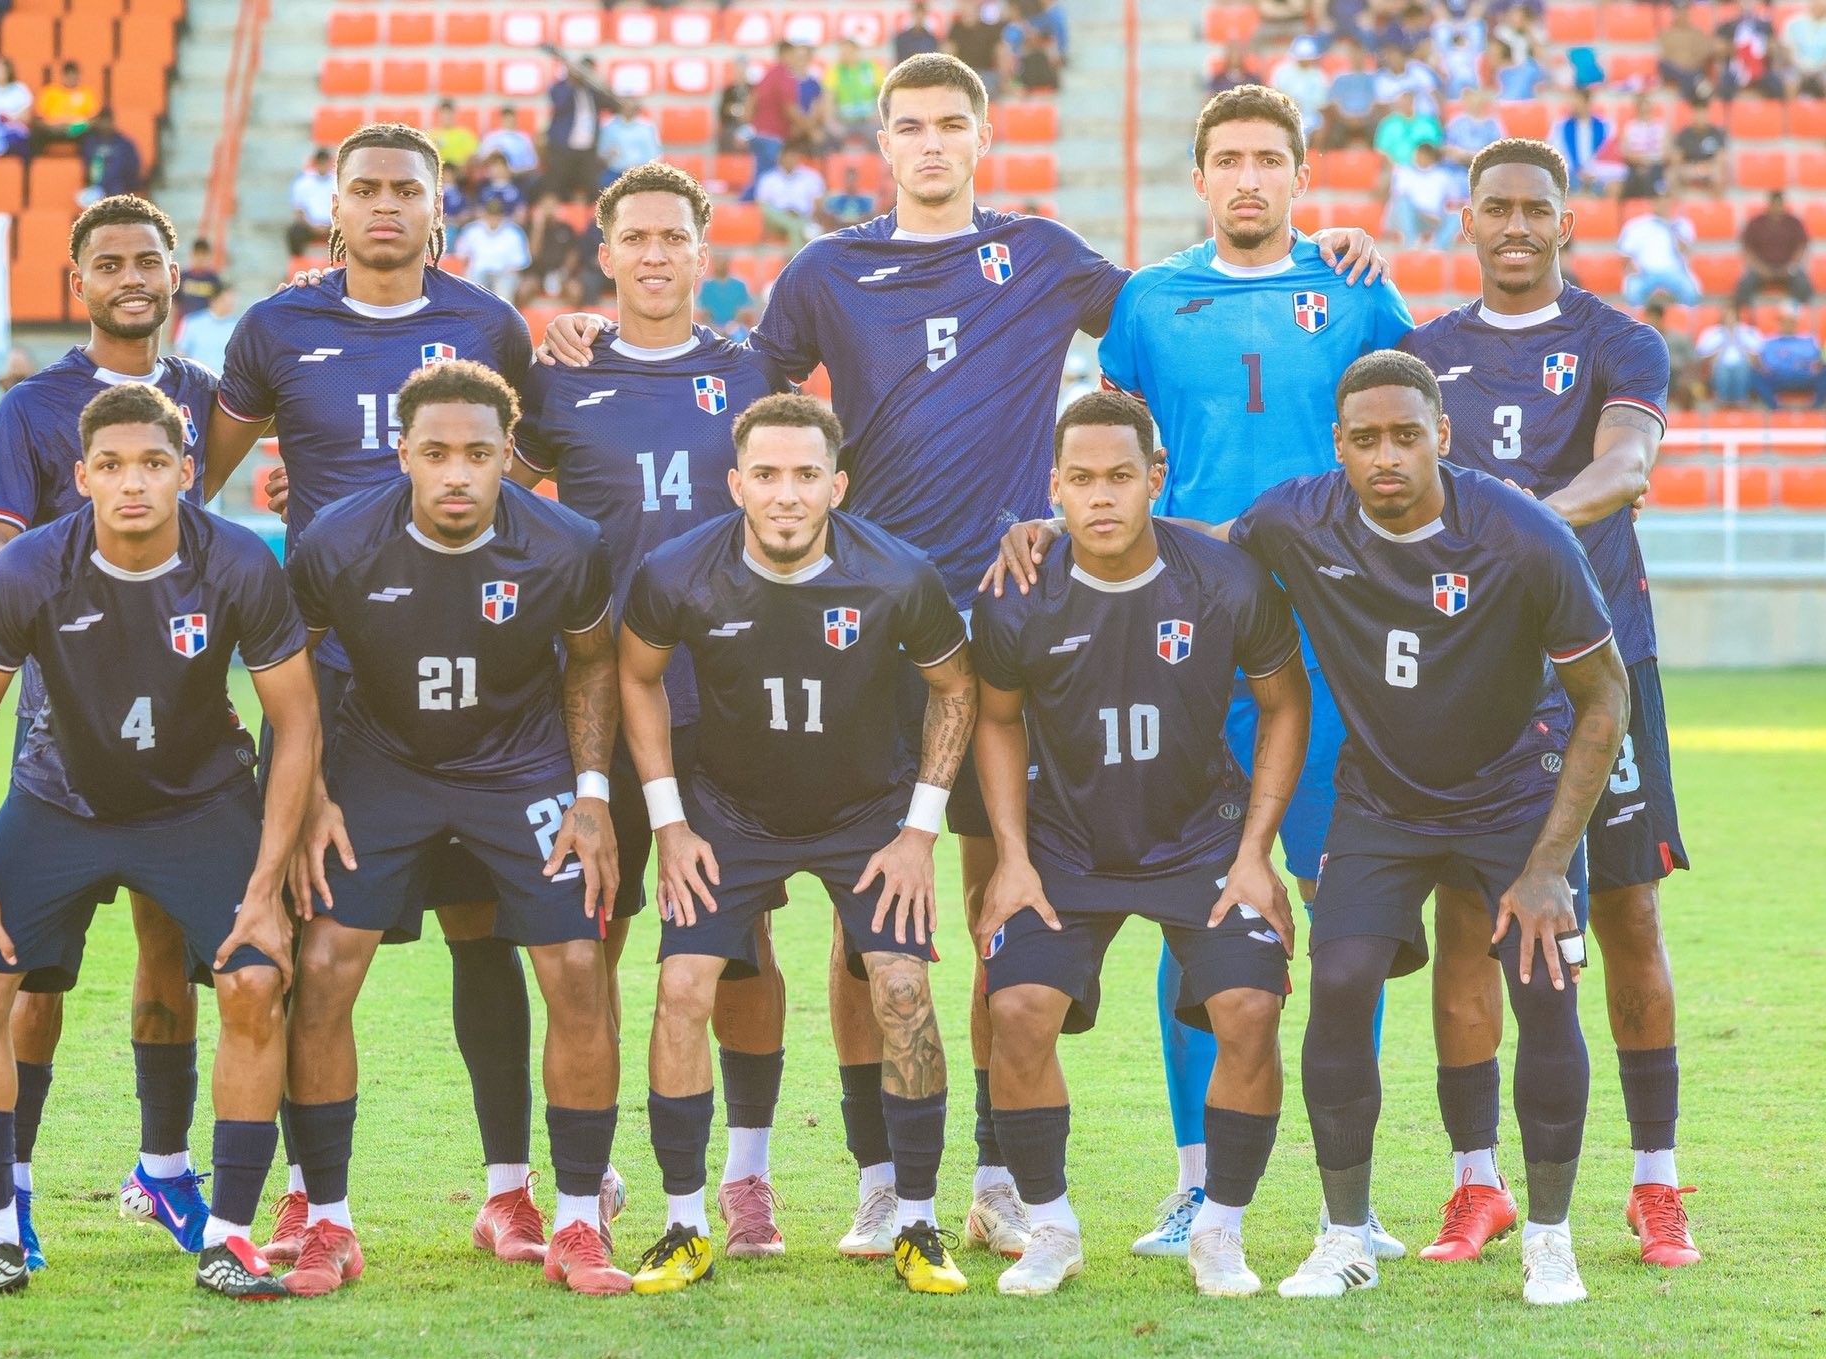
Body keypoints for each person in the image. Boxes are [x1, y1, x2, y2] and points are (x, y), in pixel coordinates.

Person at [543, 58, 1384, 1260]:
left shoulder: (1041, 252)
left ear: (983, 134)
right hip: (858, 619)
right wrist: (596, 330)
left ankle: (994, 1170)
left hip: (1004, 617)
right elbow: (727, 383)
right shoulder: (825, 270)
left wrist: (1322, 242)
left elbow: (1168, 302)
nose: (931, 143)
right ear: (879, 142)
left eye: (951, 123)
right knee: (857, 911)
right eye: (909, 127)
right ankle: (881, 1176)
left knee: (1002, 891)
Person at [986, 81, 1412, 1262]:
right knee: (1203, 902)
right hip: (1182, 645)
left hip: (1332, 649)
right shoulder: (1146, 302)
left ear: (1299, 175)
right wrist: (1043, 522)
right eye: (1225, 157)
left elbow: (1406, 436)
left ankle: (1347, 1194)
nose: (1245, 177)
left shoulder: (1353, 289)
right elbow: (1110, 451)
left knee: (1345, 914)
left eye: (1266, 158)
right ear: (1198, 176)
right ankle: (1191, 1184)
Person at [202, 123, 548, 1274]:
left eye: (407, 189)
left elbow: (535, 459)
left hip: (479, 681)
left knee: (483, 932)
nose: (385, 206)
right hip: (330, 686)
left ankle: (509, 1193)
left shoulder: (489, 323)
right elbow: (193, 473)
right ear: (333, 206)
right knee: (313, 944)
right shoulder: (276, 327)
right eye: (365, 190)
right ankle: (311, 1198)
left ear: (438, 207)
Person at [1234, 350, 1628, 1307]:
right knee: (1339, 979)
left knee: (1543, 988)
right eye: (1364, 439)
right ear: (1338, 447)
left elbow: (1607, 696)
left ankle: (1549, 1237)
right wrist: (1062, 537)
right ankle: (1345, 1235)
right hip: (1384, 797)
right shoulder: (1295, 515)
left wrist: (1547, 867)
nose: (1386, 456)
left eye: (1406, 435)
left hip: (1512, 793)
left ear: (1442, 437)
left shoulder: (1526, 536)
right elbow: (1198, 555)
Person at [0, 378, 319, 1304]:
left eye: (152, 464)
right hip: (60, 798)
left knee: (257, 977)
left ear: (189, 471)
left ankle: (229, 1236)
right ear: (82, 478)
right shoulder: (29, 567)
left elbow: (296, 722)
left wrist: (265, 886)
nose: (132, 483)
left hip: (198, 801)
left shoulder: (238, 564)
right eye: (111, 465)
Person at [1399, 137, 1699, 1271]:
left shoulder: (1620, 341)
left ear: (1565, 221)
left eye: (1535, 207)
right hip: (1468, 679)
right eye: (1494, 209)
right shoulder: (1421, 354)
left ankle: (1654, 1184)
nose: (1515, 225)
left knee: (1624, 915)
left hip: (1600, 668)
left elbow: (1623, 470)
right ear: (1465, 223)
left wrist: (1505, 534)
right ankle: (1473, 1186)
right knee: (1466, 928)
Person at [617, 393, 977, 1297]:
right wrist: (670, 819)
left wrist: (918, 832)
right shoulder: (677, 571)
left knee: (900, 982)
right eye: (767, 475)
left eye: (807, 475)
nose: (786, 494)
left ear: (837, 484)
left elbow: (956, 689)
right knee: (681, 986)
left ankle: (918, 1222)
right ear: (735, 482)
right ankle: (685, 1224)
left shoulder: (898, 574)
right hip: (731, 813)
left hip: (865, 810)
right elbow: (636, 675)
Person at [283, 359, 627, 1296]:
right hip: (380, 762)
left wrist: (590, 793)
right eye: (435, 453)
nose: (457, 474)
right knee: (321, 967)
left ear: (510, 457)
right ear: (403, 455)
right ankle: (327, 1221)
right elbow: (291, 671)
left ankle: (576, 1221)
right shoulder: (336, 540)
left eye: (479, 453)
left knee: (577, 968)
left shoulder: (566, 542)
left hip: (519, 765)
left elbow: (593, 663)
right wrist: (310, 792)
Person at [515, 165, 796, 1262]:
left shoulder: (750, 370)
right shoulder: (559, 383)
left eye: (671, 237)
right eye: (632, 238)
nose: (652, 255)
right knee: (592, 936)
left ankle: (748, 1176)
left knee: (740, 944)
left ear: (700, 248)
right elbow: (491, 483)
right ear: (604, 254)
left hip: (725, 705)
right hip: (590, 702)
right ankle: (594, 1161)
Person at [970, 392, 1309, 1298]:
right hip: (1067, 843)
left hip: (1199, 839)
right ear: (1055, 487)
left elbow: (1285, 704)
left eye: (1122, 476)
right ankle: (1051, 1225)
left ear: (1156, 478)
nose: (1102, 496)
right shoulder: (1017, 592)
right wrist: (1011, 854)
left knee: (1248, 1009)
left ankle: (1221, 1232)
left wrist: (1255, 852)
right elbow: (995, 722)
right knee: (1018, 1011)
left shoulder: (1227, 579)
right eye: (1080, 480)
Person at [0, 198, 225, 1271]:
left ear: (174, 276)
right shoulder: (34, 406)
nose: (130, 275)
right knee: (34, 980)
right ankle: (13, 1192)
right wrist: (64, 573)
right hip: (61, 741)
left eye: (147, 260)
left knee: (169, 952)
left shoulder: (207, 399)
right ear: (78, 280)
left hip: (185, 734)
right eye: (108, 262)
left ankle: (163, 1170)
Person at [543, 56, 617, 201]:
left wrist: (600, 83)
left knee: (594, 188)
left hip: (587, 151)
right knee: (556, 187)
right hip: (563, 150)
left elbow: (613, 105)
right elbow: (559, 102)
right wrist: (572, 81)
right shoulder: (562, 87)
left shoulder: (593, 91)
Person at [746, 42, 809, 196]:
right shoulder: (785, 77)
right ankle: (742, 209)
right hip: (774, 138)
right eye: (794, 55)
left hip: (759, 135)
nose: (796, 59)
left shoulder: (768, 75)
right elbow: (790, 109)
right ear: (785, 55)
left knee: (760, 179)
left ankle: (743, 210)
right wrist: (810, 128)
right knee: (765, 183)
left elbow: (751, 103)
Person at [1619, 191, 1703, 305]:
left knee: (1691, 292)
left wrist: (1670, 226)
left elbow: (1685, 251)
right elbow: (1625, 256)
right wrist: (1635, 269)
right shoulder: (1636, 225)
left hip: (1674, 272)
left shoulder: (1681, 224)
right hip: (1645, 273)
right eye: (1658, 200)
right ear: (1652, 202)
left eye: (1665, 199)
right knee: (1633, 291)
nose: (1662, 203)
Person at [1736, 191, 1814, 306]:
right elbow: (1748, 249)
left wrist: (1790, 267)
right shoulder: (1756, 223)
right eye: (1774, 204)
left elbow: (1801, 247)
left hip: (1788, 269)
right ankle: (1745, 318)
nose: (1777, 207)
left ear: (1783, 204)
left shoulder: (1794, 223)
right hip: (1761, 269)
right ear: (1769, 204)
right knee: (1744, 286)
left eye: (1779, 204)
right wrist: (1760, 268)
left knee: (1804, 286)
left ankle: (1797, 315)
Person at [1388, 138, 1462, 249]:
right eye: (1419, 154)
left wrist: (1441, 213)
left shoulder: (1442, 176)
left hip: (1434, 219)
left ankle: (1437, 248)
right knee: (1403, 203)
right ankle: (1411, 243)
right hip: (1412, 217)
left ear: (1432, 157)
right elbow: (1399, 195)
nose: (1421, 158)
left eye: (1425, 155)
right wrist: (1423, 213)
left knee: (1457, 216)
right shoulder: (1404, 171)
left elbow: (1455, 199)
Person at [455, 195, 531, 303]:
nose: (493, 218)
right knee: (471, 287)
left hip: (503, 273)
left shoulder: (514, 232)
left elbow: (519, 263)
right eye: (491, 215)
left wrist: (501, 274)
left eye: (496, 215)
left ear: (502, 215)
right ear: (485, 214)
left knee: (503, 291)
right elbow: (461, 255)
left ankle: (503, 318)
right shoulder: (472, 230)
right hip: (478, 272)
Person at [755, 141, 826, 254]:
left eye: (793, 155)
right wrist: (784, 214)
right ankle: (797, 266)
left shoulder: (811, 177)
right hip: (776, 221)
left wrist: (803, 216)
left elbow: (818, 204)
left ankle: (794, 264)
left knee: (795, 227)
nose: (790, 159)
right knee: (768, 210)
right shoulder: (768, 179)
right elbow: (762, 207)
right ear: (780, 157)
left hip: (803, 218)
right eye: (787, 156)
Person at [1751, 303, 1826, 408]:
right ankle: (1776, 408)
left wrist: (1812, 364)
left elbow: (1817, 360)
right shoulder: (1769, 341)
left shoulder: (1808, 339)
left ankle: (1816, 407)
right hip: (1779, 378)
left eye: (1790, 321)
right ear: (1780, 322)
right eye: (1784, 321)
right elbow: (1769, 363)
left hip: (1806, 376)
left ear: (1795, 322)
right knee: (1755, 374)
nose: (1787, 324)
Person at [1696, 300, 1765, 406]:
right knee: (1723, 367)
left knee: (1741, 366)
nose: (1729, 318)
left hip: (1744, 365)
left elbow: (1758, 356)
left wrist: (1741, 345)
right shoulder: (1711, 333)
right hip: (1718, 366)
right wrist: (1720, 349)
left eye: (1732, 315)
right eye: (1726, 315)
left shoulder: (1749, 332)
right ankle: (1722, 400)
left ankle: (1741, 399)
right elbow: (1702, 357)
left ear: (1737, 316)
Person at [1322, 40, 1385, 149]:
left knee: (1379, 130)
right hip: (1343, 118)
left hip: (1367, 118)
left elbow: (1376, 100)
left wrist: (1364, 116)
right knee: (1331, 132)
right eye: (1354, 54)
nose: (1357, 57)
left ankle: (1376, 158)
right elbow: (1333, 101)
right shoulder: (1340, 78)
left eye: (1360, 54)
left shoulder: (1372, 78)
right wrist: (1346, 116)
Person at [1644, 300, 1705, 411]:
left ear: (1661, 318)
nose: (1652, 321)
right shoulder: (1642, 341)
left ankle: (1687, 421)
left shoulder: (1679, 338)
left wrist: (1688, 377)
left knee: (1687, 387)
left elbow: (1694, 360)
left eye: (1655, 317)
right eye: (1650, 317)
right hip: (1654, 378)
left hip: (1678, 376)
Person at [1272, 35, 1332, 143]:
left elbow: (1322, 103)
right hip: (1286, 113)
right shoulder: (1282, 71)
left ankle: (1316, 157)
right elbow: (1274, 93)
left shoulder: (1318, 75)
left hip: (1311, 116)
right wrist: (1291, 103)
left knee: (1320, 129)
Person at [1718, 0, 1783, 98]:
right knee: (1724, 83)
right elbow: (1718, 47)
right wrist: (1731, 48)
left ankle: (1778, 112)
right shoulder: (1727, 26)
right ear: (1737, 3)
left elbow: (1774, 46)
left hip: (1760, 69)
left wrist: (1767, 48)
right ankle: (1724, 113)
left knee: (1776, 84)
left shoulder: (1765, 25)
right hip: (1736, 69)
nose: (1747, 3)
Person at [1551, 89, 1611, 196]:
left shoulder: (1605, 126)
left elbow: (1608, 154)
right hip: (1572, 174)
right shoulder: (1561, 126)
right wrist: (1577, 171)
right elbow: (1555, 154)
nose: (1574, 105)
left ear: (1587, 102)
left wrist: (1594, 171)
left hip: (1597, 174)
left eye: (1578, 101)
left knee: (1613, 186)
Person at [947, 0, 1009, 98]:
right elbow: (948, 52)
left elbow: (1002, 52)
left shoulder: (989, 30)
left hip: (985, 74)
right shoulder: (956, 29)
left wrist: (1004, 79)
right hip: (963, 73)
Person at [173, 283, 239, 375]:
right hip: (197, 381)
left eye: (232, 299)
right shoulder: (192, 322)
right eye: (225, 300)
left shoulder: (238, 326)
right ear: (214, 299)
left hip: (226, 383)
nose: (230, 303)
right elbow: (181, 353)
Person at [1616, 93, 1669, 204]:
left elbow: (1666, 153)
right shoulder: (1630, 127)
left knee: (1653, 176)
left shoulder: (1660, 126)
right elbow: (1626, 153)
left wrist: (1648, 162)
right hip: (1635, 166)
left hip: (1657, 166)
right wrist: (1642, 162)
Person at [79, 110, 143, 202]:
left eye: (108, 122)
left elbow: (132, 166)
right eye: (102, 122)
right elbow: (87, 165)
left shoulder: (124, 144)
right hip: (95, 187)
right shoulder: (90, 142)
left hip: (120, 185)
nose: (105, 125)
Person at [33, 61, 98, 151]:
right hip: (52, 129)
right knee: (35, 133)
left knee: (92, 135)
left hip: (77, 130)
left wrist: (76, 127)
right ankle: (32, 164)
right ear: (62, 76)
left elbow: (93, 119)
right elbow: (39, 118)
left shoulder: (86, 93)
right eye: (68, 75)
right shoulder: (49, 92)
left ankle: (87, 163)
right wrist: (53, 127)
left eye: (74, 75)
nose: (71, 78)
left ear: (79, 76)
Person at [1657, 2, 1716, 100]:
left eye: (1683, 11)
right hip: (1675, 71)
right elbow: (1665, 58)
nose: (1681, 14)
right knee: (1663, 64)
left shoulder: (1697, 33)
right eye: (1678, 11)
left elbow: (1702, 55)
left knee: (1694, 72)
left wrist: (1688, 65)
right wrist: (1682, 66)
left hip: (1692, 69)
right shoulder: (1665, 34)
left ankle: (1688, 84)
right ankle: (1693, 82)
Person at [830, 38, 883, 142]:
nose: (844, 55)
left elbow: (883, 93)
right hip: (844, 120)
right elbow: (828, 98)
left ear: (856, 51)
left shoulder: (871, 68)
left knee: (880, 136)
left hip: (869, 119)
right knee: (831, 136)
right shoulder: (835, 70)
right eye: (842, 52)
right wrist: (831, 121)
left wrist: (878, 114)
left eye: (847, 51)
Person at [1668, 101, 1726, 196]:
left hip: (1709, 168)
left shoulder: (1716, 133)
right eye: (1698, 113)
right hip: (1688, 167)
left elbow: (1721, 157)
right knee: (1671, 175)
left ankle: (1715, 206)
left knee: (1718, 174)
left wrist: (1705, 167)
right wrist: (1689, 168)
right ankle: (1676, 205)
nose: (1700, 117)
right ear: (1693, 115)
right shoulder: (1684, 134)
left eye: (1703, 113)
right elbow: (1676, 157)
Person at [597, 101, 661, 185]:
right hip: (614, 172)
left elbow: (654, 155)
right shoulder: (608, 126)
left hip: (640, 174)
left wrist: (638, 168)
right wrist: (609, 155)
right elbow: (601, 154)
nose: (628, 106)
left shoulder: (647, 127)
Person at [286, 147, 333, 256]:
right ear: (316, 163)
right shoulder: (303, 182)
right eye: (320, 162)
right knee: (294, 233)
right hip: (309, 225)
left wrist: (330, 225)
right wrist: (312, 226)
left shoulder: (337, 181)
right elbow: (299, 209)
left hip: (332, 225)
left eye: (325, 162)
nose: (323, 165)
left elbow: (342, 207)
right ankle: (297, 262)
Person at [1442, 86, 1503, 168]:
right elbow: (1446, 149)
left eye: (1472, 96)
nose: (1470, 101)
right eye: (1466, 97)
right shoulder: (1457, 123)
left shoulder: (1492, 126)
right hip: (1456, 170)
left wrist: (1468, 156)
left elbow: (1498, 153)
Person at [479, 105, 540, 180]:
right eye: (507, 118)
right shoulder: (491, 138)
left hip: (520, 177)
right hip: (494, 179)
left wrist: (514, 172)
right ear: (502, 119)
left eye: (511, 118)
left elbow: (533, 164)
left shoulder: (524, 138)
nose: (509, 121)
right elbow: (481, 160)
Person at [696, 251, 751, 328]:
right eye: (718, 263)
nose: (720, 266)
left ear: (728, 264)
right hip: (712, 326)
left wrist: (732, 325)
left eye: (723, 263)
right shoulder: (706, 285)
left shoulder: (740, 285)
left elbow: (744, 308)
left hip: (735, 326)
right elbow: (703, 310)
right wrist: (713, 326)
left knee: (739, 336)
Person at [175, 238, 221, 322]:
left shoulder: (213, 279)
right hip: (185, 323)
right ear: (192, 255)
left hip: (206, 324)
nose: (200, 258)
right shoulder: (182, 277)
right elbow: (175, 305)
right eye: (197, 254)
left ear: (209, 256)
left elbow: (218, 305)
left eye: (203, 255)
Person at [819, 164, 877, 230]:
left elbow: (870, 217)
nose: (851, 182)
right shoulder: (835, 200)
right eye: (849, 178)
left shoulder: (866, 200)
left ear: (857, 179)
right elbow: (828, 217)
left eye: (853, 178)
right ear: (844, 179)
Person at [430, 98, 479, 171]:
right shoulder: (432, 135)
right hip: (438, 172)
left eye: (449, 113)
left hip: (459, 174)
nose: (447, 116)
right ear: (439, 115)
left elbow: (473, 156)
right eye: (444, 113)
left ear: (454, 114)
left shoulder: (465, 135)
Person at [1789, 0, 1826, 97]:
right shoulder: (1795, 23)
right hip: (1798, 66)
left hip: (1823, 68)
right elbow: (1790, 49)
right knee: (1790, 80)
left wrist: (1819, 67)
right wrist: (1801, 65)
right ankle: (1791, 111)